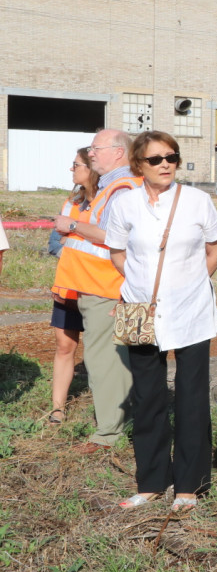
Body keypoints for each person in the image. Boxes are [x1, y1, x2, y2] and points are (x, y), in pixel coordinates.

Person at [105, 131, 217, 511]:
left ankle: (189, 486)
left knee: (191, 396)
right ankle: (152, 481)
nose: (166, 165)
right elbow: (117, 252)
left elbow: (216, 246)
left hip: (192, 310)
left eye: (171, 157)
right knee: (148, 395)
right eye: (156, 159)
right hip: (141, 310)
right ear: (138, 165)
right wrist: (142, 288)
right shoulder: (124, 204)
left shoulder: (197, 200)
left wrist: (193, 283)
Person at [51, 128, 141, 454]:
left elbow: (112, 236)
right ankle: (125, 426)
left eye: (96, 148)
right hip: (108, 284)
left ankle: (107, 435)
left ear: (118, 152)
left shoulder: (122, 188)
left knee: (105, 361)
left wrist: (71, 226)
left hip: (106, 287)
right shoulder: (116, 187)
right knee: (122, 360)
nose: (91, 153)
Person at [47, 147, 98, 425]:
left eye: (76, 164)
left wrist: (75, 236)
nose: (72, 169)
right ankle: (57, 409)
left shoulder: (107, 202)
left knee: (100, 350)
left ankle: (106, 412)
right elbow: (55, 242)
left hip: (98, 287)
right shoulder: (70, 203)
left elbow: (110, 240)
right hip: (67, 286)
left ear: (91, 168)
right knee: (64, 347)